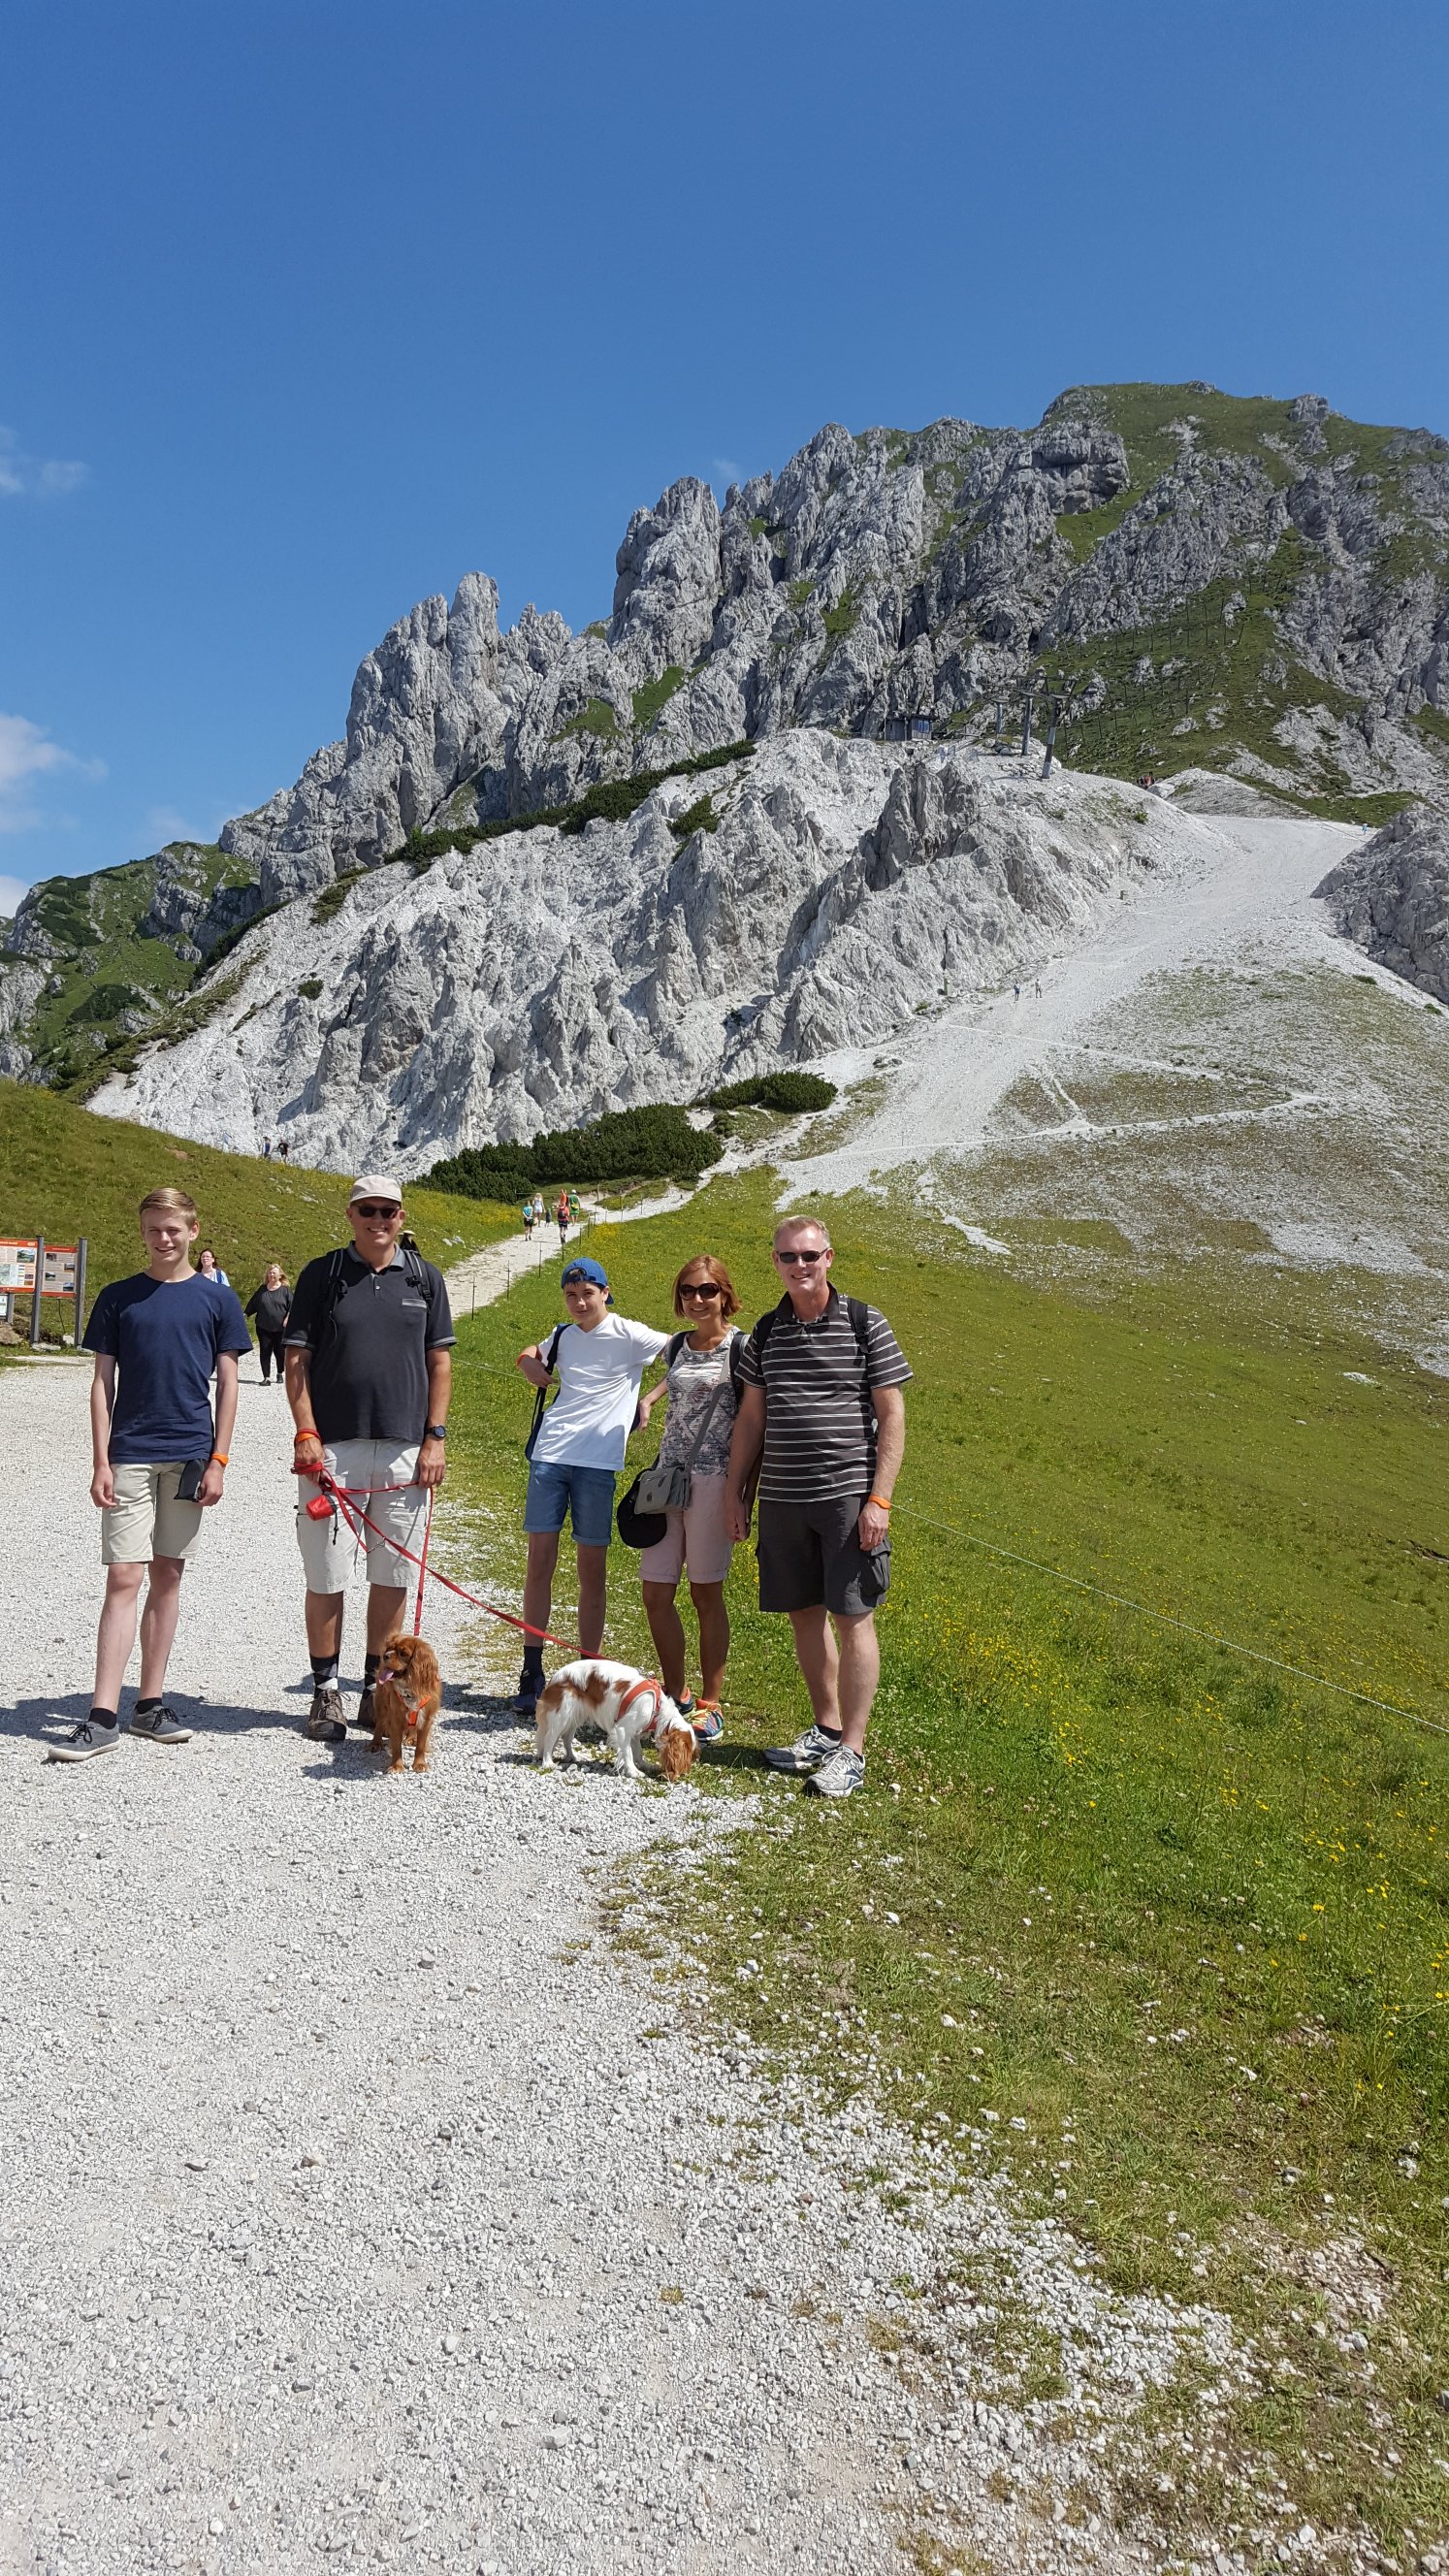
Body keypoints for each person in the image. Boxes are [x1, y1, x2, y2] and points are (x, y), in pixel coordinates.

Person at [53, 1185, 251, 1761]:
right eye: (153, 1229)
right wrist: (101, 1460)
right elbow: (101, 1383)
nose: (163, 1239)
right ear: (141, 1233)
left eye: (173, 1229)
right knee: (123, 1576)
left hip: (190, 1456)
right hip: (131, 1454)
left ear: (193, 1231)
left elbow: (229, 1385)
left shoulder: (218, 1301)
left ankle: (150, 1703)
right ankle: (102, 1714)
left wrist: (219, 1460)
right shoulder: (119, 1297)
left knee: (168, 1574)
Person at [725, 1214, 911, 1799]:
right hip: (783, 1496)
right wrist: (736, 1493)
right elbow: (751, 1419)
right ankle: (827, 1729)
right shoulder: (766, 1331)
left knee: (853, 1616)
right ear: (775, 1263)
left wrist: (879, 1499)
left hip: (846, 1497)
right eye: (788, 1256)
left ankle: (852, 1750)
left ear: (829, 1257)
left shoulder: (864, 1322)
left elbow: (892, 1415)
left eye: (809, 1255)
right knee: (804, 1614)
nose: (799, 1265)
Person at [284, 1175, 454, 1745]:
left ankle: (372, 1688)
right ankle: (325, 1690)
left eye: (387, 1211)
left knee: (392, 1574)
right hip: (334, 1447)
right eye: (367, 1210)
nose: (377, 1220)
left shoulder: (425, 1278)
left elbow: (439, 1364)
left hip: (406, 1448)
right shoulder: (323, 1273)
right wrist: (306, 1431)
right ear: (351, 1215)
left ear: (401, 1216)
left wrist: (435, 1438)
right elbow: (297, 1360)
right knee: (326, 1572)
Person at [512, 1254, 667, 1715]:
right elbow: (532, 1352)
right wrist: (526, 1364)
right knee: (539, 1562)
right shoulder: (563, 1334)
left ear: (605, 1292)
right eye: (571, 1295)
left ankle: (587, 1676)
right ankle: (531, 1670)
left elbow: (685, 1352)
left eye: (587, 1293)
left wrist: (648, 1399)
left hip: (597, 1464)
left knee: (591, 1569)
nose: (579, 1302)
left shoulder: (629, 1334)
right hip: (550, 1455)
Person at [634, 1256, 744, 1743]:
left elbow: (753, 1420)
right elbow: (679, 1378)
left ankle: (710, 1704)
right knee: (655, 1591)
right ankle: (675, 1694)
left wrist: (741, 1493)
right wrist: (650, 1398)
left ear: (724, 1294)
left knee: (705, 1592)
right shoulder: (678, 1345)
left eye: (706, 1290)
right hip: (667, 1479)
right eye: (687, 1291)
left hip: (714, 1481)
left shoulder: (741, 1348)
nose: (696, 1299)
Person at [245, 1262, 292, 1385]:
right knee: (265, 1351)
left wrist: (288, 1318)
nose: (271, 1275)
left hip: (280, 1328)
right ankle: (266, 1377)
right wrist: (246, 1314)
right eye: (270, 1273)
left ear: (280, 1275)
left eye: (274, 1273)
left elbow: (292, 1307)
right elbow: (253, 1303)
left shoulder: (285, 1290)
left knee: (280, 1352)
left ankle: (280, 1373)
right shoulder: (262, 1289)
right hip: (263, 1326)